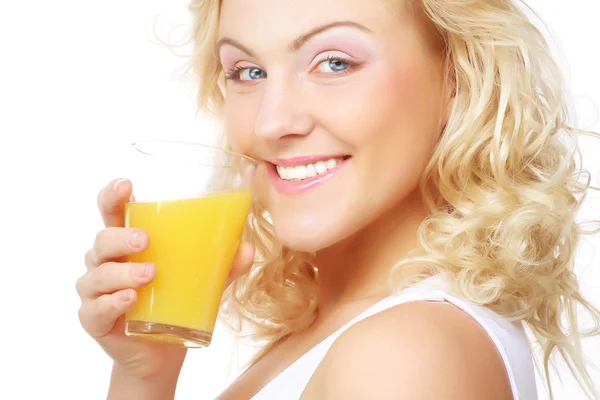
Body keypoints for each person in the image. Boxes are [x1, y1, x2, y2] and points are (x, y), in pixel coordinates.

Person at [75, 0, 600, 399]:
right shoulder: (345, 330)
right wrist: (144, 376)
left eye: (334, 63)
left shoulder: (403, 355)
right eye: (248, 72)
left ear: (458, 79)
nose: (272, 122)